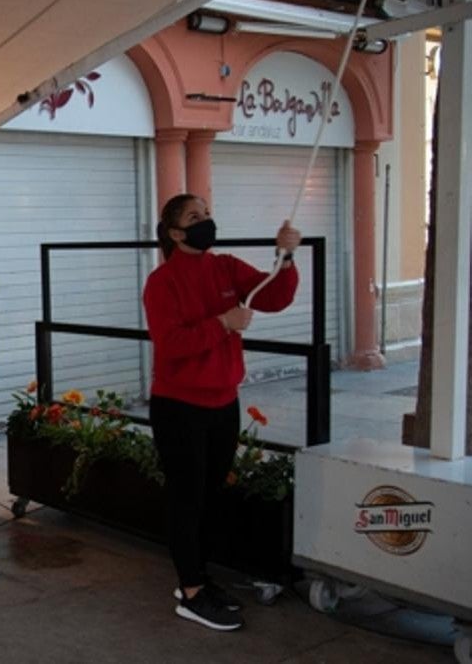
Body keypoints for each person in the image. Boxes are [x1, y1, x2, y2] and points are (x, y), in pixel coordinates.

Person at [142, 194, 301, 632]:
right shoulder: (162, 282)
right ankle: (191, 593)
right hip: (179, 407)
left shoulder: (226, 267)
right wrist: (222, 325)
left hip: (222, 403)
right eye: (195, 217)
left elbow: (274, 297)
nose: (206, 222)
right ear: (175, 232)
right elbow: (170, 345)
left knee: (210, 496)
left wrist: (285, 256)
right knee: (186, 498)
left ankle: (197, 579)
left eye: (208, 214)